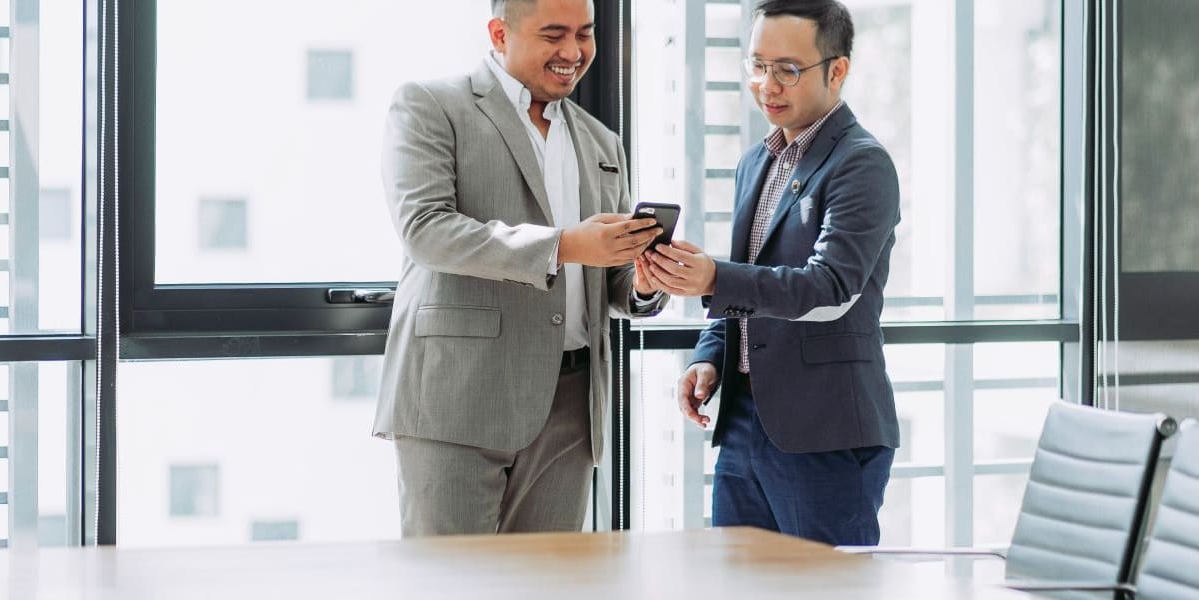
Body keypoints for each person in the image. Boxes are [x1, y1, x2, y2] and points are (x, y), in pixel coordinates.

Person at [374, 0, 668, 537]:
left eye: (585, 34)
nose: (573, 52)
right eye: (553, 34)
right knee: (449, 582)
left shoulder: (604, 143)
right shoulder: (430, 106)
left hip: (573, 405)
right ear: (499, 33)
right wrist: (564, 246)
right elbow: (426, 230)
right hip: (459, 395)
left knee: (550, 584)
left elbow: (611, 281)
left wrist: (644, 283)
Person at [635, 0, 900, 545]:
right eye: (757, 65)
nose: (766, 85)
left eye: (787, 69)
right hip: (742, 422)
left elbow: (829, 288)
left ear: (837, 70)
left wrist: (711, 278)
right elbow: (751, 281)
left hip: (823, 431)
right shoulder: (757, 160)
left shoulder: (861, 163)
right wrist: (710, 357)